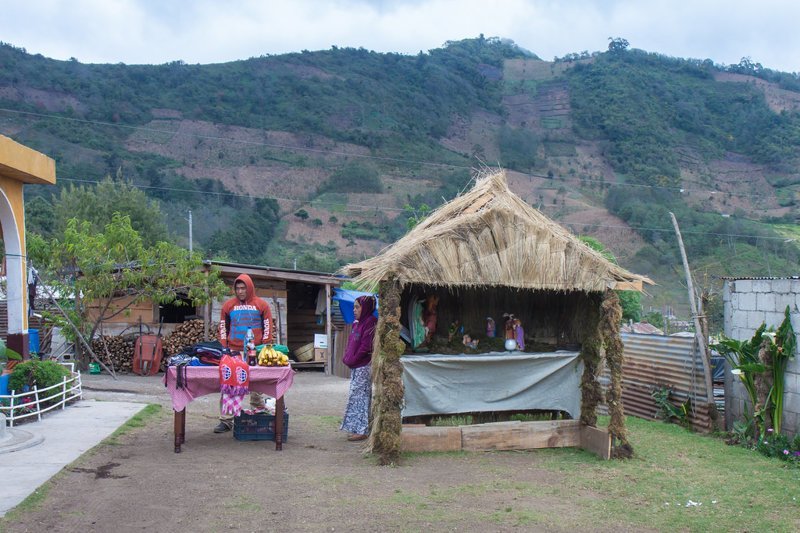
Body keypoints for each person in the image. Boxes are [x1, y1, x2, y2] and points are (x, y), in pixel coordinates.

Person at [213, 273, 274, 433]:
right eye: (237, 288)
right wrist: (224, 346)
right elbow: (222, 327)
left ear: (250, 288)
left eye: (243, 288)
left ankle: (259, 415)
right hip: (234, 351)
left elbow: (267, 326)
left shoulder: (262, 305)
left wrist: (266, 345)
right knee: (230, 384)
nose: (240, 291)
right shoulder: (228, 305)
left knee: (257, 384)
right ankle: (226, 420)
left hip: (255, 350)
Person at [340, 295, 377, 442]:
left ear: (365, 308)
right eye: (354, 307)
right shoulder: (357, 323)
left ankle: (362, 430)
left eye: (357, 307)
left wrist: (353, 359)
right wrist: (346, 358)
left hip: (363, 366)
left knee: (360, 397)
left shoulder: (370, 323)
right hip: (356, 365)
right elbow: (351, 343)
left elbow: (366, 347)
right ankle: (357, 428)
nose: (354, 310)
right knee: (355, 396)